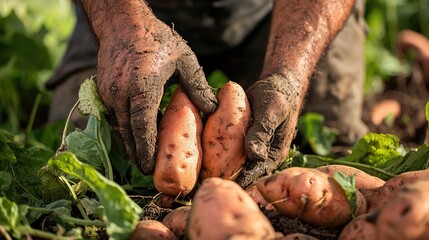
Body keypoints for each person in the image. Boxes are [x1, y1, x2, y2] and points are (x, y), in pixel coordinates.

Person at [46, 0, 367, 187]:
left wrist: (289, 73)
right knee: (85, 158)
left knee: (331, 145)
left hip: (283, 16)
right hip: (129, 13)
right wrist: (121, 24)